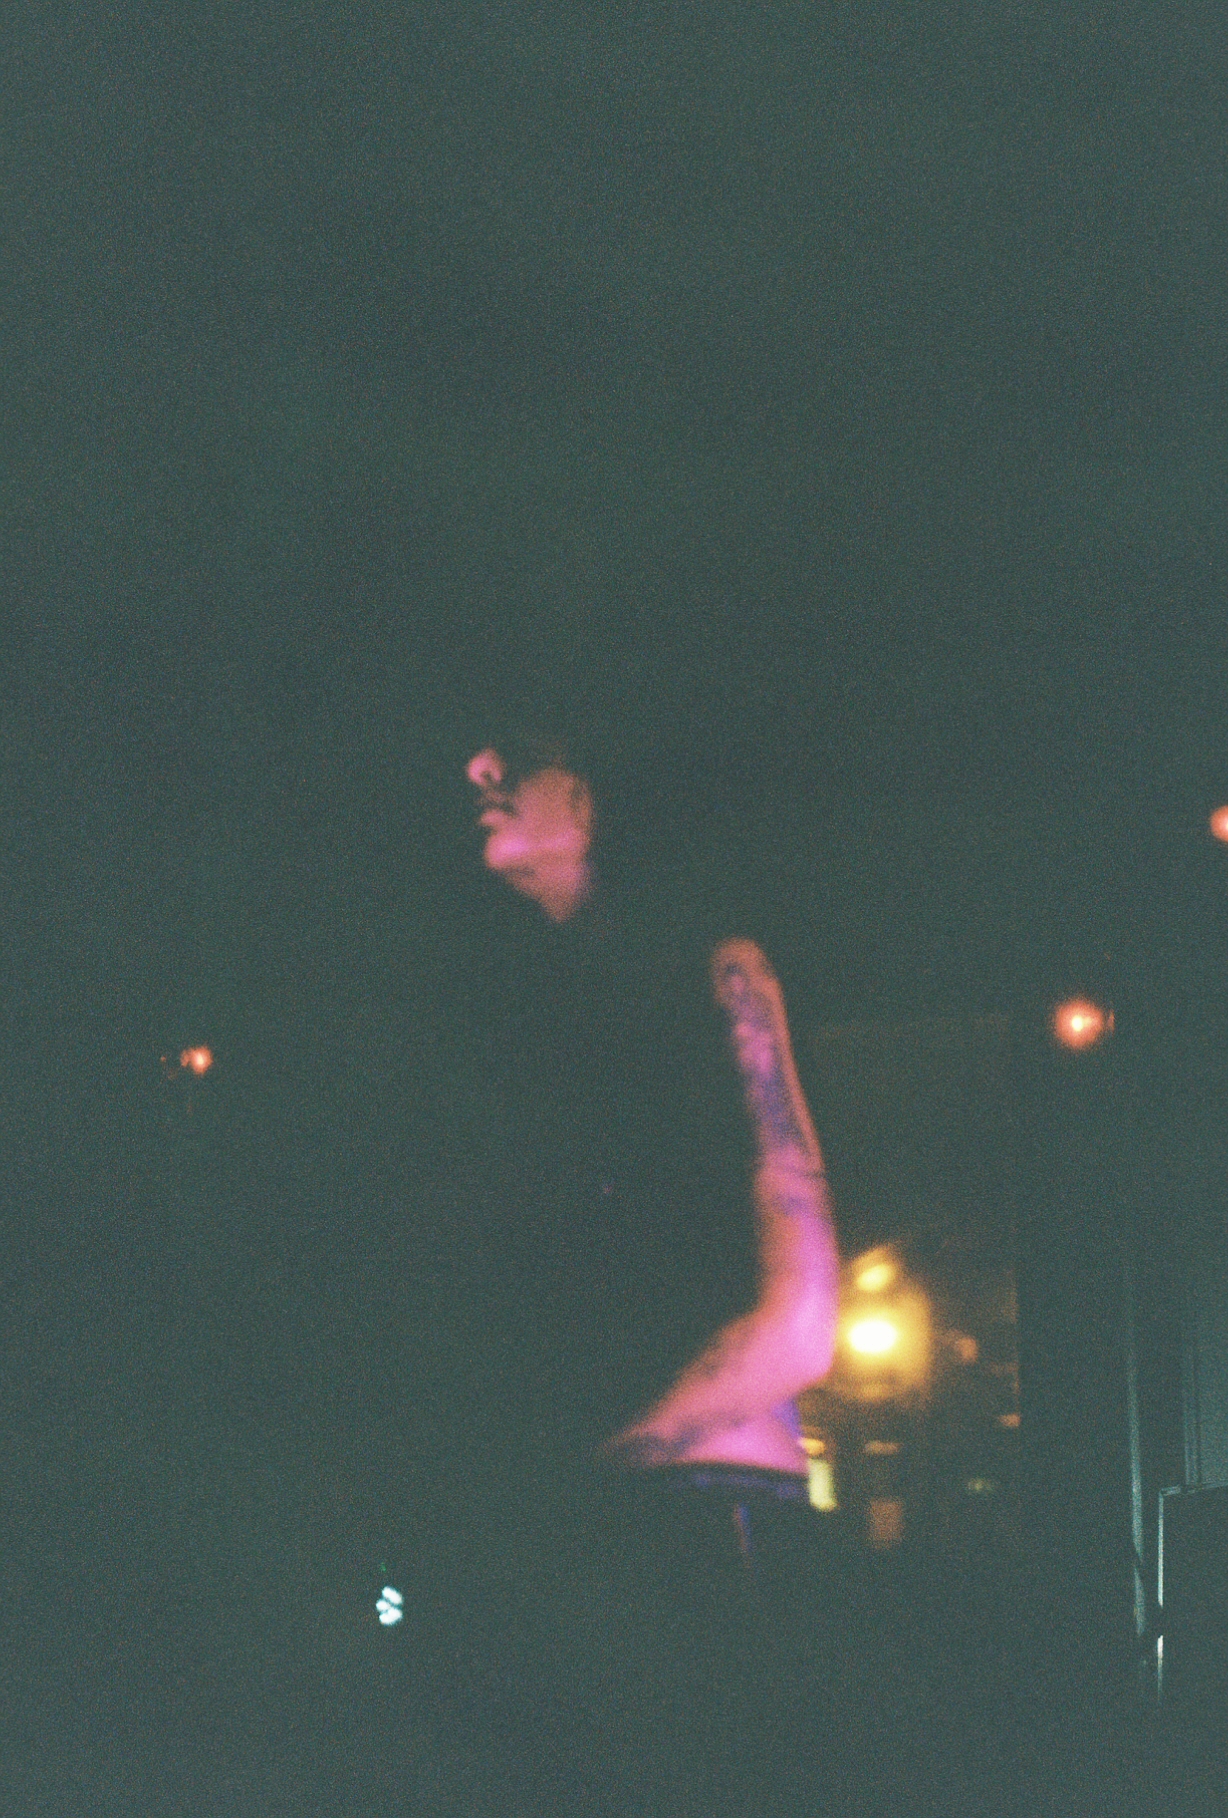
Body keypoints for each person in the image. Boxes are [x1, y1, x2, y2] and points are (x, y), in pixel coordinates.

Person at [419, 737, 843, 1815]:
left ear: (590, 797)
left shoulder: (716, 973)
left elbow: (803, 1324)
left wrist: (603, 1463)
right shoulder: (546, 1027)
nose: (479, 775)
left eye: (515, 757)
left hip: (699, 1518)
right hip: (624, 1528)